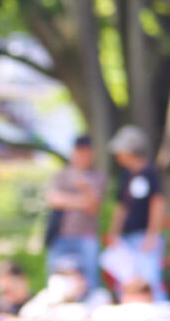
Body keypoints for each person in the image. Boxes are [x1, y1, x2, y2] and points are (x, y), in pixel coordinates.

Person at [106, 125, 166, 301]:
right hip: (126, 239)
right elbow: (122, 206)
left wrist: (152, 235)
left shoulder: (149, 173)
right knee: (126, 281)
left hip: (144, 238)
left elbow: (157, 204)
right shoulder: (126, 175)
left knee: (149, 280)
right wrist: (114, 232)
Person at [44, 134, 104, 289]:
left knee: (90, 281)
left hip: (86, 236)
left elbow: (93, 207)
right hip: (61, 236)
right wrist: (81, 201)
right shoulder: (62, 175)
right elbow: (53, 199)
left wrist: (84, 189)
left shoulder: (98, 177)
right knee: (57, 281)